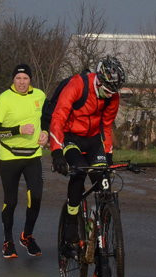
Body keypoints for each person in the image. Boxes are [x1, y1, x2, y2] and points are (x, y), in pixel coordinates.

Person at [49, 57, 125, 253]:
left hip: (93, 140)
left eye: (113, 92)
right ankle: (70, 231)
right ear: (98, 80)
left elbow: (106, 126)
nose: (109, 95)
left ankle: (99, 230)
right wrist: (56, 152)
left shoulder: (113, 96)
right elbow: (58, 117)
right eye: (107, 90)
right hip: (70, 136)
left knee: (103, 181)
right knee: (79, 173)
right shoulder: (78, 85)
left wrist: (108, 155)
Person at [0, 64, 48, 258]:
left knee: (36, 197)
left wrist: (46, 132)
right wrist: (17, 130)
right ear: (13, 80)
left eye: (25, 79)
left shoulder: (40, 95)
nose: (22, 82)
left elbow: (48, 118)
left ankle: (27, 236)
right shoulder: (4, 98)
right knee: (11, 201)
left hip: (33, 156)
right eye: (18, 79)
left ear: (30, 80)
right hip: (10, 156)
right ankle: (8, 240)